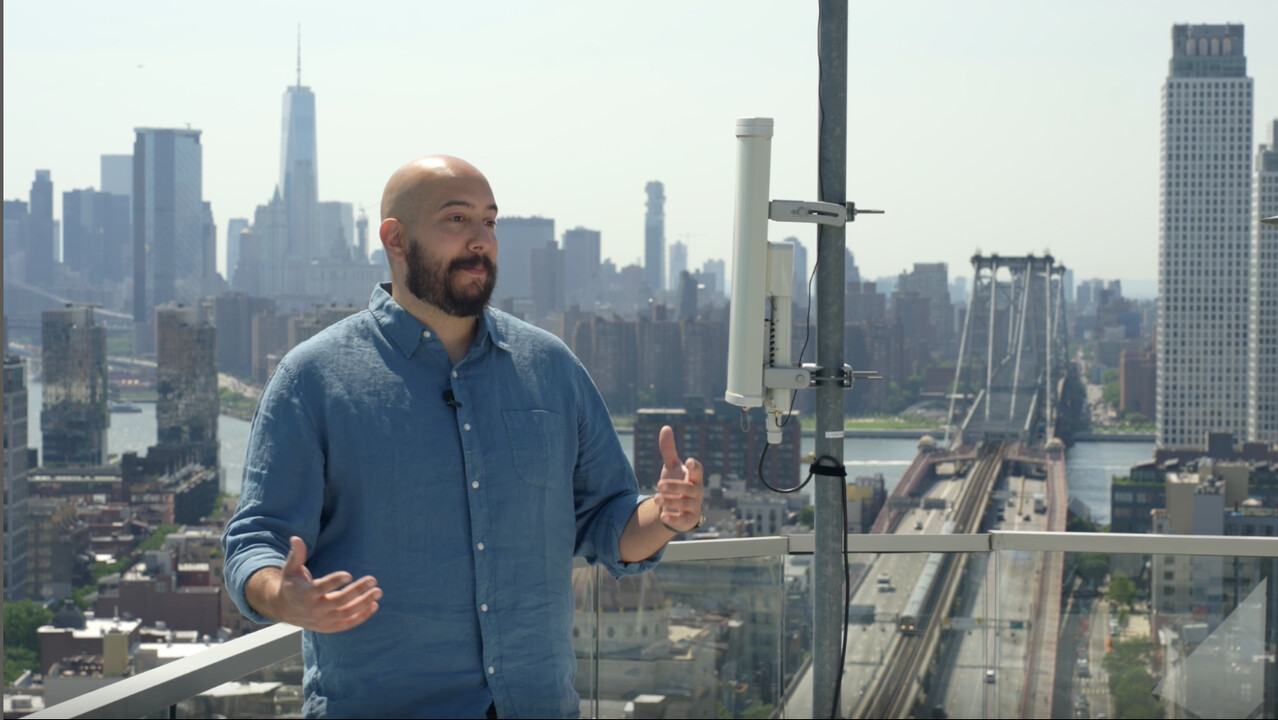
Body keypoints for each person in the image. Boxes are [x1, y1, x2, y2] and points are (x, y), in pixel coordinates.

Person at [222, 155, 704, 718]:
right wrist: (279, 594)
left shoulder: (550, 367)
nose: (481, 241)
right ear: (395, 239)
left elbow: (607, 521)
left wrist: (666, 516)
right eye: (457, 220)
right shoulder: (313, 378)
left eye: (490, 222)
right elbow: (256, 537)